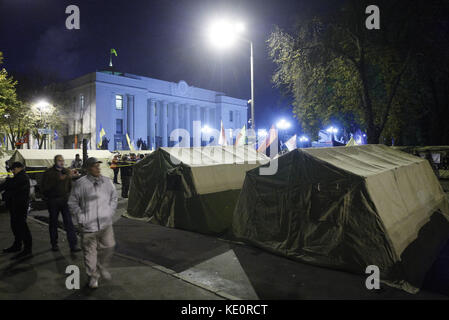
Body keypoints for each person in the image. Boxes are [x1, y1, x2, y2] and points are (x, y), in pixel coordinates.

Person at [68, 157, 118, 289]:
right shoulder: (80, 184)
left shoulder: (107, 182)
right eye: (94, 166)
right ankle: (93, 276)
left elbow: (114, 198)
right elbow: (72, 203)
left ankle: (101, 266)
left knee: (109, 247)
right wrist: (81, 217)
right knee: (90, 254)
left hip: (105, 224)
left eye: (98, 166)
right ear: (88, 169)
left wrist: (109, 212)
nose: (98, 168)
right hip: (88, 226)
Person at [41, 155, 81, 253]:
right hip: (53, 201)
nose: (61, 162)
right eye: (59, 161)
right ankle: (54, 244)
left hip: (64, 200)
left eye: (62, 160)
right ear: (55, 161)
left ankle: (73, 245)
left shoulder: (66, 171)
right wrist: (58, 180)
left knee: (69, 223)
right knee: (53, 222)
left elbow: (70, 185)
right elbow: (45, 187)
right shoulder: (49, 173)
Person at [0, 162, 33, 259]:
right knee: (15, 226)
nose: (12, 171)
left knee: (22, 227)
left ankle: (27, 249)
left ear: (19, 168)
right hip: (15, 206)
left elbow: (10, 185)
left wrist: (6, 182)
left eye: (13, 169)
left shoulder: (22, 177)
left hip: (20, 206)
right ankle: (17, 245)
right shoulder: (18, 177)